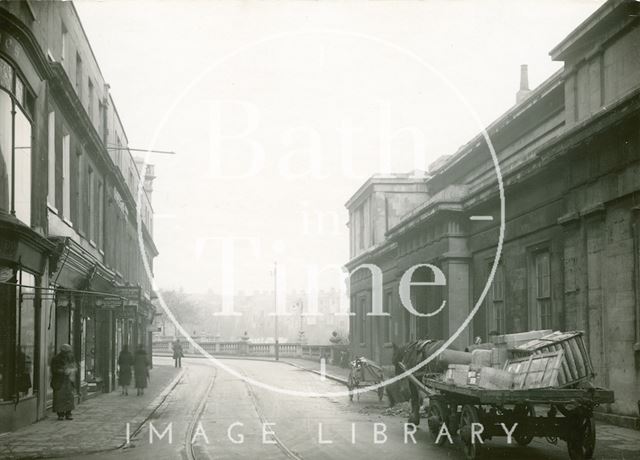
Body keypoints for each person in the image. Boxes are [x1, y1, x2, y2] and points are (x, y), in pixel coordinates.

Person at [50, 344, 76, 420]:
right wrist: (63, 371)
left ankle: (68, 413)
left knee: (69, 397)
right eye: (67, 352)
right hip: (59, 381)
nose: (68, 353)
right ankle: (60, 414)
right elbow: (54, 369)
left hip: (68, 380)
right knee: (59, 397)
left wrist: (71, 370)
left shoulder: (70, 357)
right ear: (63, 352)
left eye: (69, 352)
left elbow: (74, 366)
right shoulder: (56, 359)